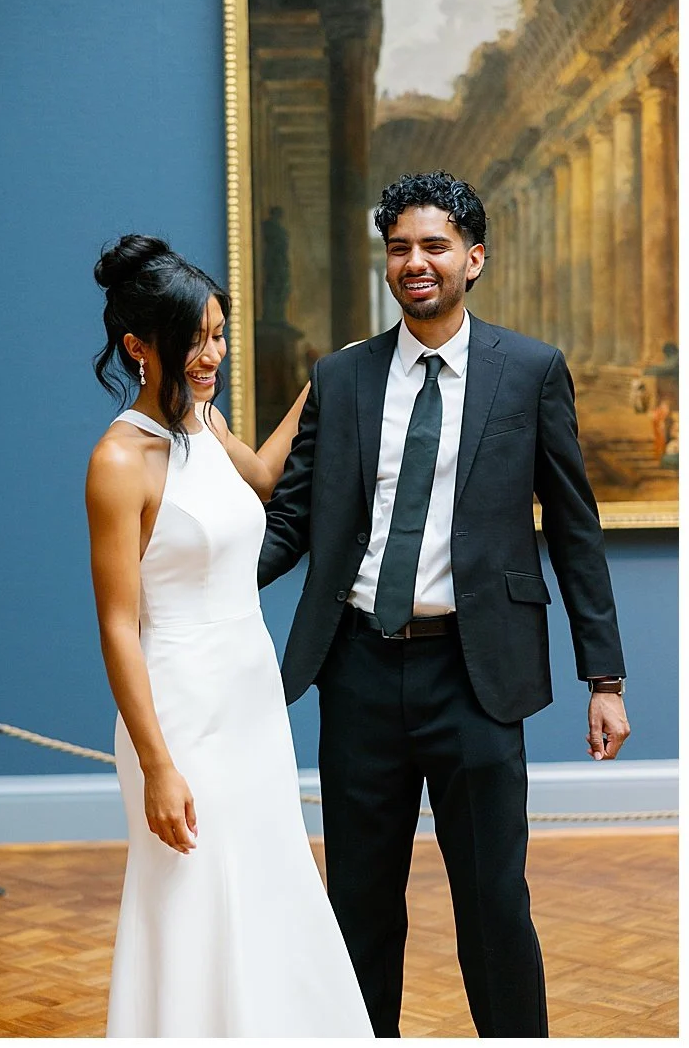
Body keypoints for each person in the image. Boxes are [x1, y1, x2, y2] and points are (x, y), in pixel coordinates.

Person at [258, 171, 631, 1037]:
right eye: (398, 247)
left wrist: (603, 676)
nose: (414, 262)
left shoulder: (531, 371)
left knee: (495, 905)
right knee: (358, 904)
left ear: (474, 256)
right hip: (356, 668)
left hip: (476, 674)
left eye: (433, 245)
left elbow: (575, 529)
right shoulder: (341, 376)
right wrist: (212, 574)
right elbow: (292, 521)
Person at [84, 235, 371, 1037]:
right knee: (192, 898)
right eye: (195, 340)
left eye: (218, 334)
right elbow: (117, 626)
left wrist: (319, 386)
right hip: (179, 712)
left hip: (250, 700)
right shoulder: (117, 460)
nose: (212, 355)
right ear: (140, 347)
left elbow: (268, 479)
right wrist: (157, 765)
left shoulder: (204, 421)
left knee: (267, 881)